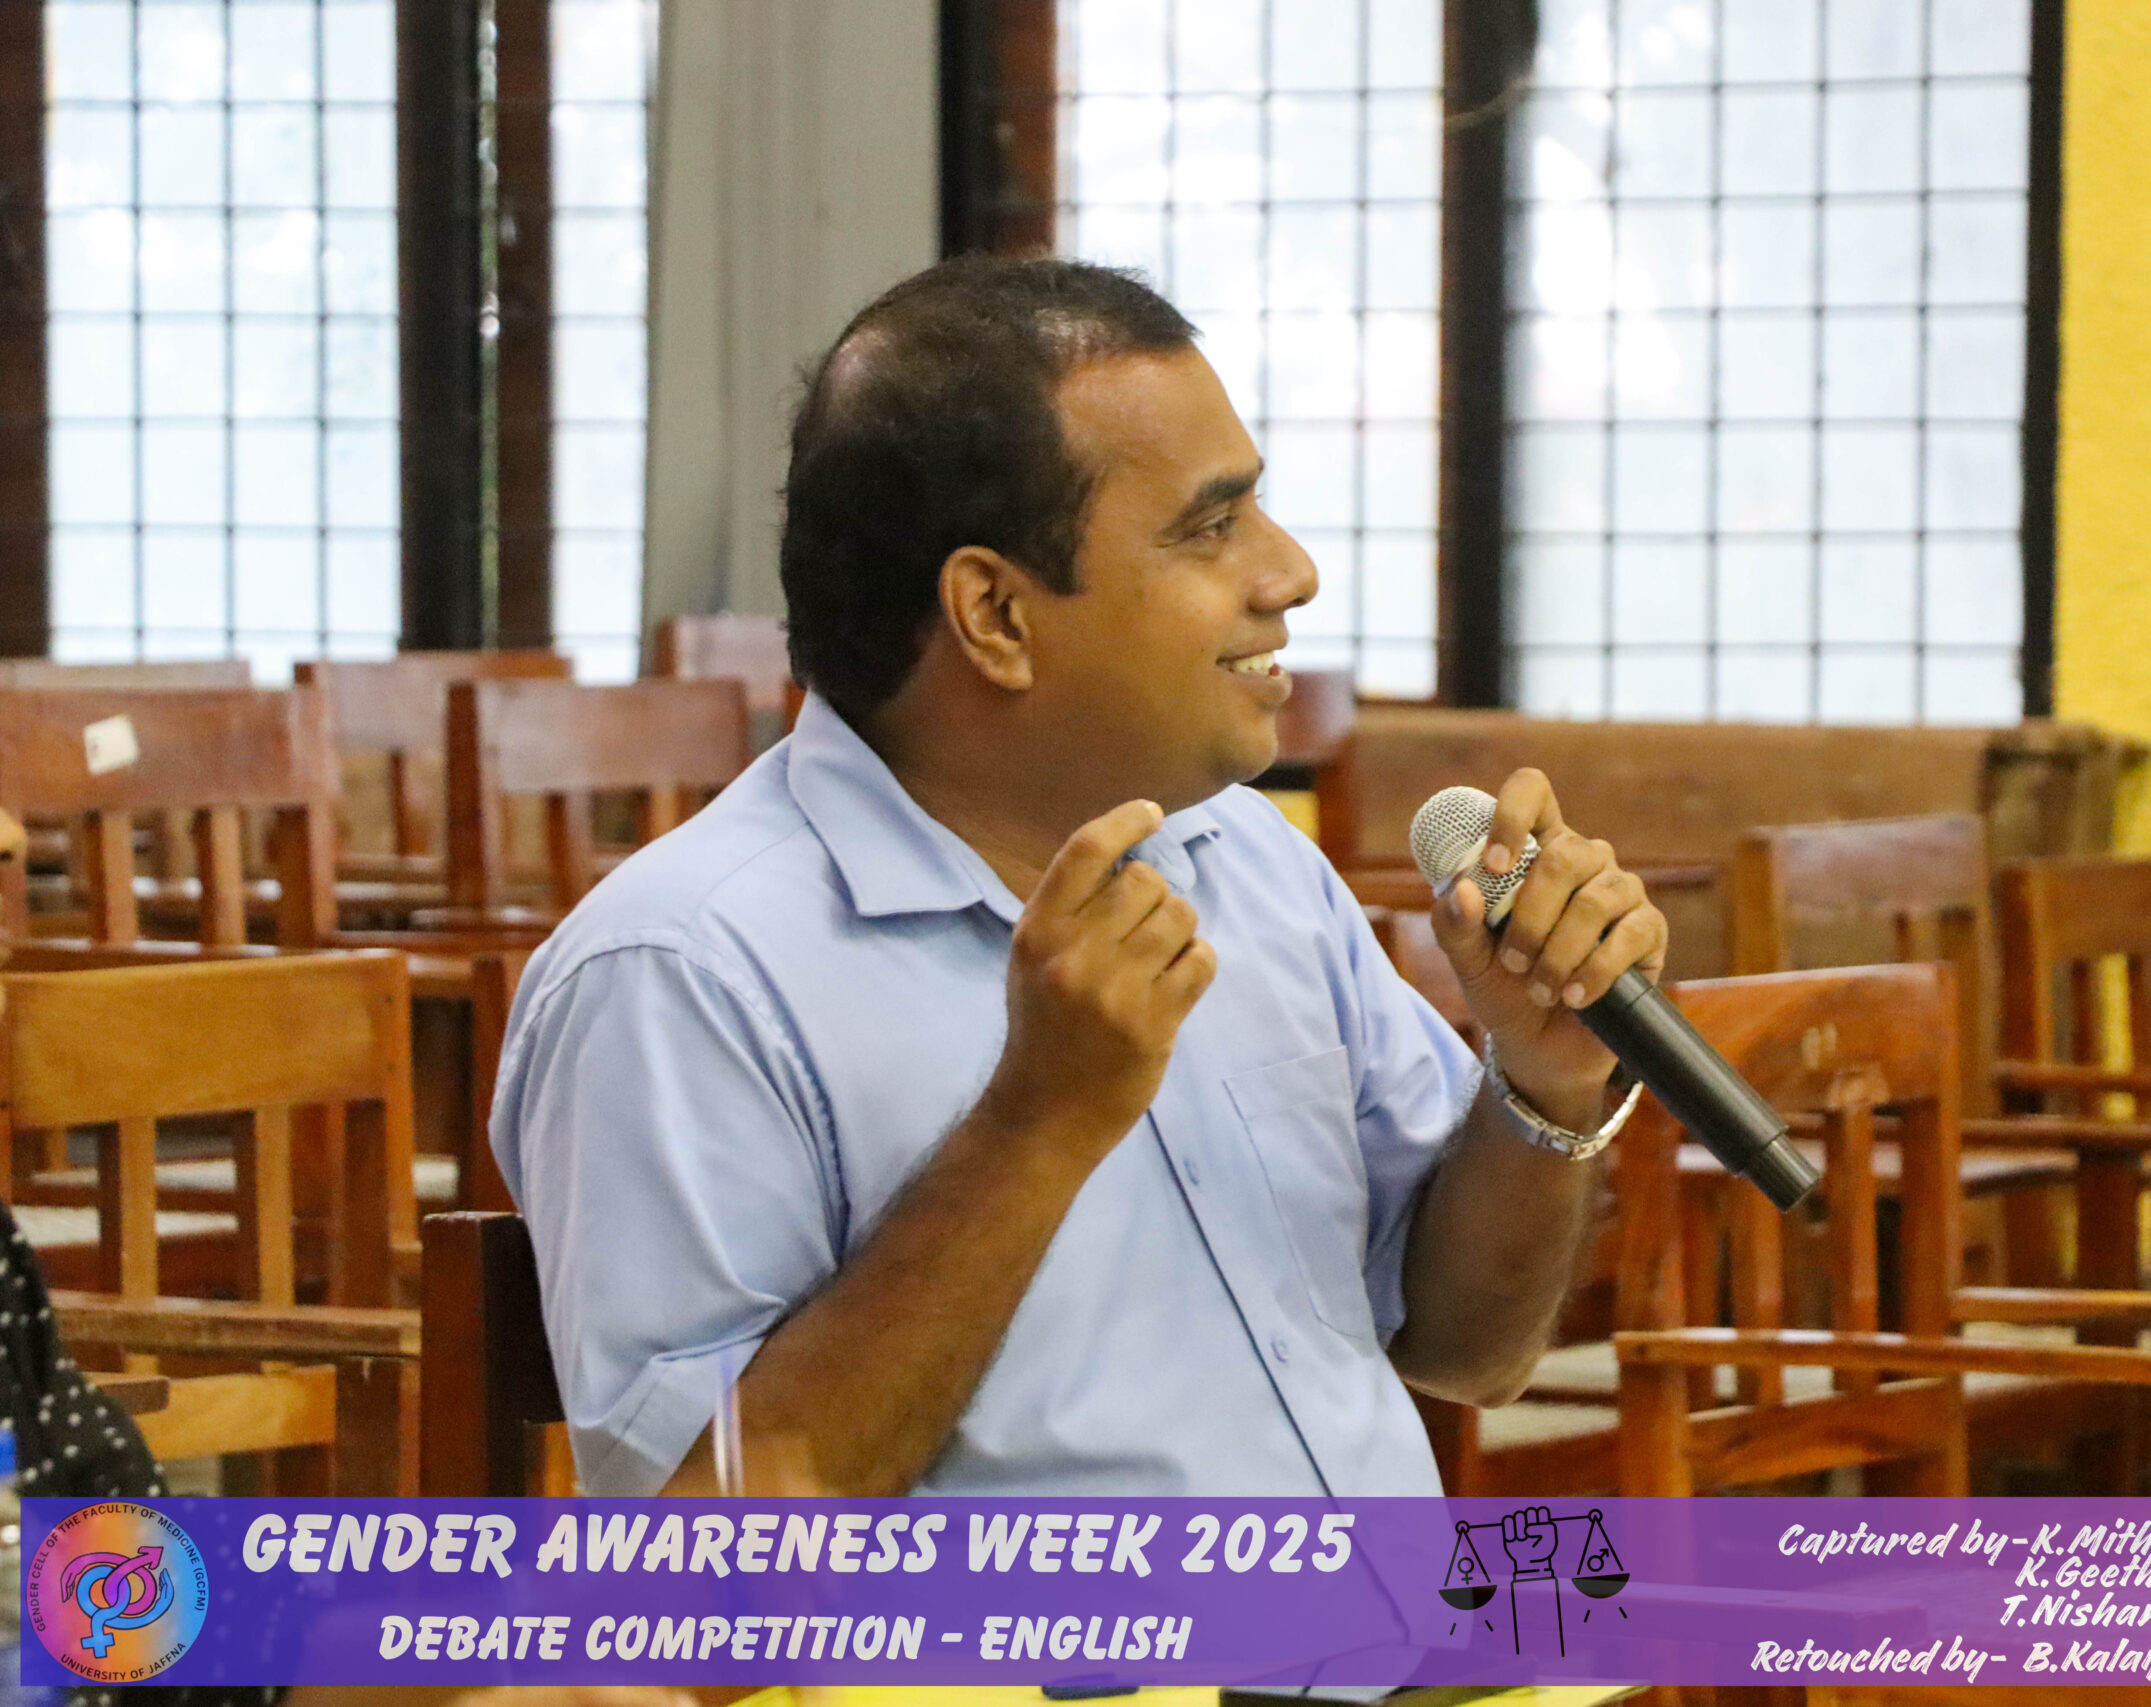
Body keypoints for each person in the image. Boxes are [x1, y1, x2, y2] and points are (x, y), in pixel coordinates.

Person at [489, 256, 1669, 1499]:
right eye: (1211, 526)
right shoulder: (679, 975)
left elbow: (1468, 1353)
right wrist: (1035, 1126)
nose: (1289, 572)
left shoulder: (1248, 858)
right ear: (995, 614)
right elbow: (698, 1569)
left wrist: (1542, 1082)